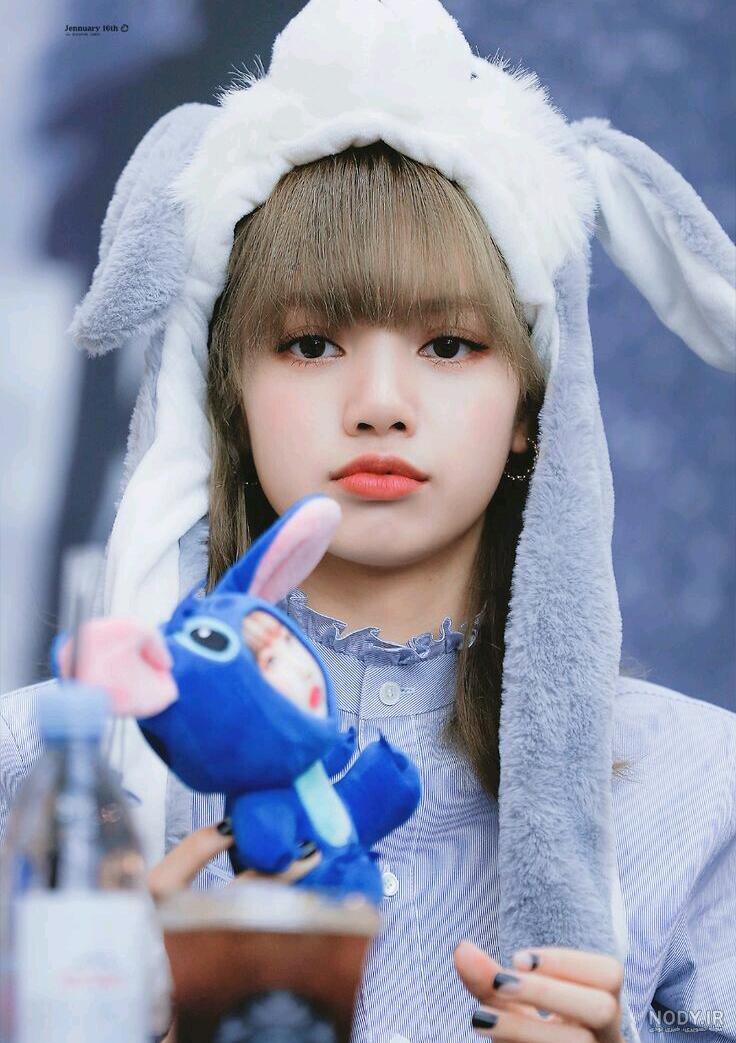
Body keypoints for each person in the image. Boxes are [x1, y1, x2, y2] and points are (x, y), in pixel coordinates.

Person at [2, 1, 735, 1040]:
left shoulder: (702, 790)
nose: (380, 403)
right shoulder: (36, 772)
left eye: (449, 345)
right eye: (311, 344)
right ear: (227, 394)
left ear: (533, 405)